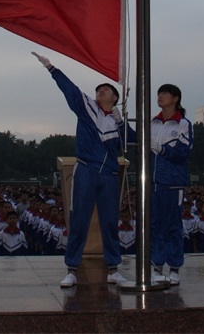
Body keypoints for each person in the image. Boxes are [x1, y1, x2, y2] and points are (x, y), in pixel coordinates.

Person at [32, 51, 133, 288]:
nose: (100, 91)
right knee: (79, 221)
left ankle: (113, 269)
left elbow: (132, 143)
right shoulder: (86, 106)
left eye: (105, 90)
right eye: (98, 89)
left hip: (109, 175)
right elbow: (70, 89)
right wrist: (52, 68)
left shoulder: (117, 121)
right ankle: (72, 269)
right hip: (86, 170)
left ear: (115, 98)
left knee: (110, 222)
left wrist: (120, 122)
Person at [149, 83, 192, 285]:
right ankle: (157, 265)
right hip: (153, 183)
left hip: (173, 183)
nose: (160, 97)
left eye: (164, 93)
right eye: (158, 94)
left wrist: (162, 150)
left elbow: (183, 153)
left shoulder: (183, 124)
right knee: (155, 225)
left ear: (175, 98)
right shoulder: (152, 123)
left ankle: (174, 267)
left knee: (173, 225)